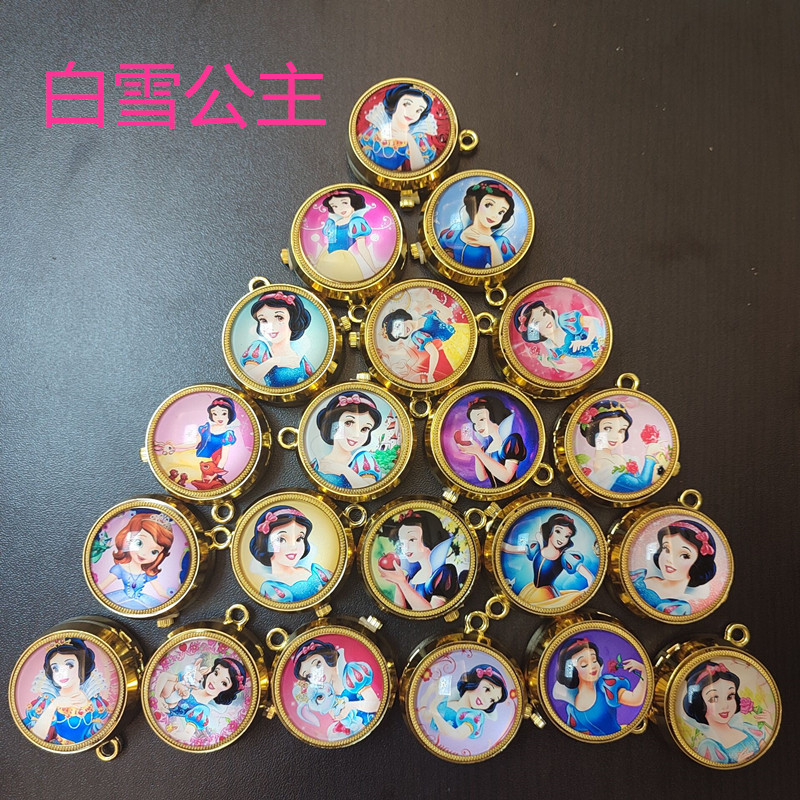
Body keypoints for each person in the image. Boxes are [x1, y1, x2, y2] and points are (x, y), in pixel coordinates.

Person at [23, 638, 110, 744]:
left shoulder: (94, 702)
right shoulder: (48, 701)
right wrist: (54, 705)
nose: (62, 673)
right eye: (55, 668)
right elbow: (36, 736)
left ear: (81, 667)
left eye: (70, 665)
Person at [683, 661, 773, 763]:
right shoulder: (709, 746)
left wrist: (769, 727)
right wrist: (739, 764)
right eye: (713, 699)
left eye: (730, 696)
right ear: (699, 704)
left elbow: (766, 750)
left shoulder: (746, 728)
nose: (725, 705)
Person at [553, 638, 647, 736]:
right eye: (584, 664)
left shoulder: (606, 686)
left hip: (623, 737)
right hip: (601, 744)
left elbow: (636, 699)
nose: (593, 666)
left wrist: (644, 671)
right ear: (573, 671)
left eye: (594, 660)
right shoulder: (572, 710)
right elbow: (582, 737)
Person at [500, 512, 594, 605]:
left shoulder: (566, 557)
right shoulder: (536, 548)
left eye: (567, 536)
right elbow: (509, 548)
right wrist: (497, 541)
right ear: (550, 531)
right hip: (531, 590)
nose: (562, 538)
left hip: (546, 594)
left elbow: (590, 577)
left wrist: (589, 590)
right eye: (558, 532)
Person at [376, 509, 462, 611]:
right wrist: (398, 582)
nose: (405, 547)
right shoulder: (408, 578)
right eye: (402, 543)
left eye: (412, 539)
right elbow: (399, 610)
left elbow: (432, 613)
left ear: (430, 538)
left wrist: (402, 583)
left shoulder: (444, 572)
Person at [577, 399, 669, 492]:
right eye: (607, 428)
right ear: (593, 431)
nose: (615, 436)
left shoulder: (622, 458)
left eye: (621, 430)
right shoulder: (604, 467)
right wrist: (650, 456)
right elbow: (640, 486)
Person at [630, 520, 717, 615]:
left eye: (684, 555)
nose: (670, 559)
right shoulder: (638, 576)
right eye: (666, 549)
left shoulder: (680, 608)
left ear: (698, 563)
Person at [292, 639, 379, 734]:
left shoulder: (351, 673)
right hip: (357, 732)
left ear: (328, 657)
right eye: (309, 675)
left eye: (318, 664)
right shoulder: (326, 690)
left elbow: (376, 704)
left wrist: (349, 706)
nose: (316, 675)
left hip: (375, 723)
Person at [249, 505, 332, 603]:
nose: (293, 547)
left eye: (299, 539)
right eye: (281, 539)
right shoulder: (271, 589)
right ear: (265, 543)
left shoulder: (317, 572)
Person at [156, 396, 239, 490]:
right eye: (215, 414)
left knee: (182, 472)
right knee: (166, 461)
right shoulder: (205, 428)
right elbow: (194, 443)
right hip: (192, 454)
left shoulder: (227, 435)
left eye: (223, 413)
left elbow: (224, 458)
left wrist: (215, 474)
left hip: (204, 463)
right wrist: (174, 446)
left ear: (230, 415)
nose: (219, 417)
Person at [156, 656, 247, 742]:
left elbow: (186, 735)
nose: (214, 680)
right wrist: (158, 698)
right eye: (216, 673)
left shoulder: (201, 709)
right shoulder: (189, 682)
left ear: (228, 691)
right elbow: (164, 675)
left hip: (162, 724)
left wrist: (173, 733)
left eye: (224, 683)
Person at [94, 512, 174, 609]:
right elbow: (102, 586)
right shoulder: (120, 569)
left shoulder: (147, 573)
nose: (143, 553)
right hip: (120, 600)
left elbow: (160, 592)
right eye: (139, 543)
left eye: (154, 552)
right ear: (127, 540)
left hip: (142, 602)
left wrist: (172, 598)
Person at [240, 291, 314, 387]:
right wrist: (275, 361)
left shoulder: (302, 360)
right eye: (263, 320)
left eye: (279, 318)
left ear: (293, 321)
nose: (271, 327)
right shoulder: (260, 347)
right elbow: (247, 377)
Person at [358, 83, 439, 171]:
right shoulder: (376, 132)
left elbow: (420, 169)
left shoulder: (416, 138)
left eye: (419, 110)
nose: (411, 113)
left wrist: (409, 139)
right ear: (394, 103)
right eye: (407, 104)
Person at [311, 392, 383, 489]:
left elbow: (369, 488)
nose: (356, 435)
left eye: (364, 429)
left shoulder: (363, 459)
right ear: (333, 424)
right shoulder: (315, 463)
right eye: (348, 423)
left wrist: (343, 470)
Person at [437, 181, 518, 268]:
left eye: (501, 212)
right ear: (476, 203)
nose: (494, 215)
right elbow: (440, 246)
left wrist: (492, 244)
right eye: (488, 205)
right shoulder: (457, 230)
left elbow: (502, 270)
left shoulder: (499, 242)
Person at [513, 299, 604, 375]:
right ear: (532, 333)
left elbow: (595, 321)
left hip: (604, 348)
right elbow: (577, 365)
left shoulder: (564, 321)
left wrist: (586, 341)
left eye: (544, 314)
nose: (546, 320)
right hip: (598, 365)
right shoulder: (552, 348)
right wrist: (552, 365)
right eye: (537, 322)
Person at [419, 664, 509, 741]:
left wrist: (435, 711)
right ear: (475, 680)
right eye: (487, 689)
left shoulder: (474, 716)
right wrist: (428, 693)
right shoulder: (446, 700)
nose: (486, 700)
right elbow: (425, 717)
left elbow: (456, 735)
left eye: (492, 700)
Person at [455, 395, 527, 487]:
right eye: (474, 423)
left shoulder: (512, 440)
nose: (478, 426)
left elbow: (506, 477)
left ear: (495, 416)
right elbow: (482, 477)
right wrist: (476, 454)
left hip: (512, 491)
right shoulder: (486, 446)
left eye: (481, 419)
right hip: (494, 492)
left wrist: (479, 453)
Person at [312, 187, 379, 281]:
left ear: (353, 203)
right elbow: (328, 244)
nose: (340, 209)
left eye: (344, 203)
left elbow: (362, 247)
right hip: (326, 259)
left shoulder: (356, 222)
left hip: (343, 260)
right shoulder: (332, 224)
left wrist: (373, 269)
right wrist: (316, 261)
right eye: (335, 206)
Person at [380, 302, 456, 384]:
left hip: (457, 327)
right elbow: (434, 353)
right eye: (399, 334)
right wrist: (430, 375)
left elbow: (446, 314)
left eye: (398, 326)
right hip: (453, 341)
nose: (403, 331)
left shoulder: (424, 314)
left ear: (401, 318)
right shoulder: (417, 335)